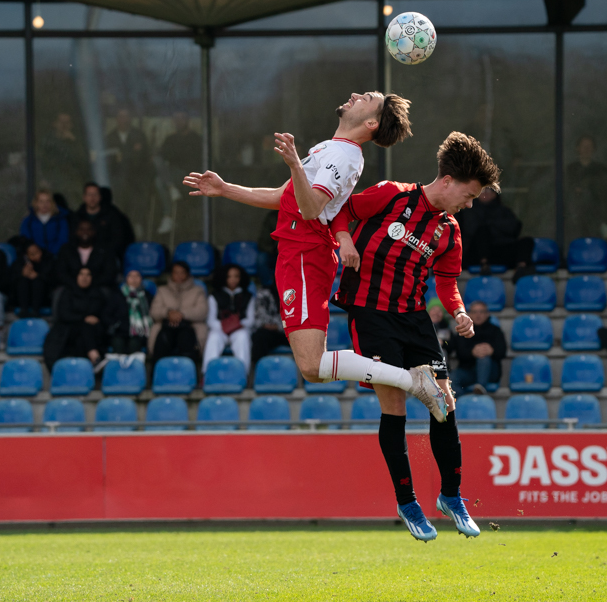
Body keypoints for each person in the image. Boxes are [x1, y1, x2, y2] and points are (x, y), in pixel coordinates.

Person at [183, 92, 445, 419]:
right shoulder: (331, 148)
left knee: (311, 365)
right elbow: (283, 197)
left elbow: (311, 209)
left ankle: (412, 380)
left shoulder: (344, 155)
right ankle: (412, 380)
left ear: (371, 122)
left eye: (366, 98)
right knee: (311, 368)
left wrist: (295, 164)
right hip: (295, 250)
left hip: (306, 251)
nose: (355, 95)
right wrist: (225, 189)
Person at [329, 130, 500, 541]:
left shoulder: (450, 231)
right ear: (448, 181)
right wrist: (344, 240)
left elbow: (447, 282)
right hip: (371, 315)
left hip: (414, 318)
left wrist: (459, 312)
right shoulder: (392, 195)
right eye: (469, 195)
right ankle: (407, 503)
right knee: (395, 406)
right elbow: (340, 211)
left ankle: (451, 496)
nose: (470, 204)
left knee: (444, 403)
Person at [455, 186, 534, 278]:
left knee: (527, 241)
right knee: (482, 232)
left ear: (494, 194)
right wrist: (495, 228)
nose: (485, 194)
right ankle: (484, 266)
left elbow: (514, 228)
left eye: (488, 191)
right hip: (477, 253)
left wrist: (491, 225)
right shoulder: (469, 211)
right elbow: (470, 230)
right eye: (482, 192)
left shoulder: (504, 211)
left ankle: (521, 268)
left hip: (501, 249)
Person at [43, 268, 107, 370]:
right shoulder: (67, 292)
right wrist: (83, 318)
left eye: (88, 275)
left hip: (91, 332)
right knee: (84, 327)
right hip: (67, 330)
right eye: (81, 274)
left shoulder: (97, 294)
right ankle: (95, 358)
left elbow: (102, 314)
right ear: (76, 277)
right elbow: (64, 314)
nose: (84, 278)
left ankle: (92, 361)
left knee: (86, 329)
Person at [148, 261, 208, 362]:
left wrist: (181, 314)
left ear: (188, 274)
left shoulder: (198, 290)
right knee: (163, 339)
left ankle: (189, 370)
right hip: (166, 326)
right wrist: (168, 313)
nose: (179, 275)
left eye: (182, 272)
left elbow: (202, 311)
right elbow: (154, 311)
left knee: (186, 338)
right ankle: (158, 370)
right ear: (171, 274)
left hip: (190, 326)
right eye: (176, 272)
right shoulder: (162, 290)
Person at [156, 112, 203, 234]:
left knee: (160, 181)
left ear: (187, 120)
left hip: (188, 175)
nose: (179, 122)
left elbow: (197, 162)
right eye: (176, 119)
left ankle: (168, 214)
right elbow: (161, 156)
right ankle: (171, 190)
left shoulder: (196, 139)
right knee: (158, 173)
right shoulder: (170, 139)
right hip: (171, 174)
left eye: (181, 119)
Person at [203, 264, 256, 370]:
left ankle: (243, 373)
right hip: (220, 329)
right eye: (229, 276)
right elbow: (211, 320)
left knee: (243, 337)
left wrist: (237, 325)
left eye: (236, 276)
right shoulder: (215, 296)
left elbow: (251, 320)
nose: (233, 279)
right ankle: (207, 372)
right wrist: (226, 326)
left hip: (240, 329)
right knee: (213, 337)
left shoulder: (248, 296)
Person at [449, 301, 506, 395]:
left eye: (481, 312)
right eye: (475, 312)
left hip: (490, 372)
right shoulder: (463, 330)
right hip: (468, 372)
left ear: (487, 314)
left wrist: (492, 351)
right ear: (469, 314)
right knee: (452, 378)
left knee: (483, 357)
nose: (478, 315)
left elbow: (502, 352)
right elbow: (459, 352)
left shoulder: (496, 331)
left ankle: (480, 387)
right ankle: (462, 400)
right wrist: (472, 352)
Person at [564, 135, 607, 240]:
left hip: (596, 216)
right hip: (576, 217)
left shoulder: (601, 169)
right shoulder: (570, 169)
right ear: (577, 148)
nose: (586, 149)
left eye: (589, 146)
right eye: (583, 146)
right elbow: (568, 191)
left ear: (594, 149)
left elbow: (604, 193)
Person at [104, 108, 152, 208]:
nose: (124, 120)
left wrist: (124, 157)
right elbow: (109, 161)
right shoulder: (110, 138)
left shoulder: (139, 135)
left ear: (130, 119)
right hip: (117, 177)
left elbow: (144, 157)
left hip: (137, 176)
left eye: (126, 117)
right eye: (121, 117)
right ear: (117, 119)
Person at [55, 218, 118, 289]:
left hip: (97, 289)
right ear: (76, 231)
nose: (85, 232)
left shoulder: (104, 250)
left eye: (89, 229)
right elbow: (60, 272)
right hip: (71, 288)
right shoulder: (66, 249)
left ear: (94, 231)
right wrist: (76, 284)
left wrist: (90, 283)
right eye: (81, 229)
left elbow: (109, 273)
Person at [71, 182, 128, 258]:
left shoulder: (111, 215)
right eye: (89, 194)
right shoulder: (77, 217)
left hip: (107, 257)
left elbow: (118, 239)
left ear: (100, 197)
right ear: (84, 197)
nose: (92, 198)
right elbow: (73, 239)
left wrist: (104, 253)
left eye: (95, 194)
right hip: (83, 257)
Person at [109, 268, 153, 355]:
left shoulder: (147, 296)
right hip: (120, 331)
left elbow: (152, 314)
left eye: (137, 276)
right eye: (131, 276)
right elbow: (107, 314)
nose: (134, 279)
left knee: (134, 344)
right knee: (118, 344)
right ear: (126, 279)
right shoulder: (117, 295)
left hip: (141, 333)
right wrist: (117, 324)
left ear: (141, 279)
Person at [19, 189, 70, 257]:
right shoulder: (28, 220)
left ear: (52, 203)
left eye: (47, 201)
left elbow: (63, 239)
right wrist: (37, 254)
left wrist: (52, 255)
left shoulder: (60, 219)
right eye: (41, 201)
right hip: (36, 257)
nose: (44, 204)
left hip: (56, 256)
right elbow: (26, 240)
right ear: (36, 203)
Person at [11, 242, 55, 318]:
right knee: (22, 281)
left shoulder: (48, 259)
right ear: (26, 255)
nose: (37, 255)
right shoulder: (20, 262)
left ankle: (35, 311)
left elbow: (54, 280)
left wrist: (38, 276)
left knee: (38, 281)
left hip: (44, 297)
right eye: (32, 254)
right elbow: (11, 279)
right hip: (24, 297)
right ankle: (23, 310)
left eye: (38, 252)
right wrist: (22, 273)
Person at [250, 284, 289, 366]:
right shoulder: (264, 294)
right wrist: (277, 326)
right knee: (259, 336)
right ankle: (260, 369)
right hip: (270, 333)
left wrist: (278, 326)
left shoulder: (296, 292)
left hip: (290, 332)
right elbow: (259, 319)